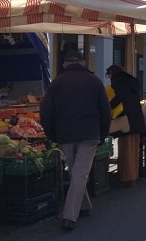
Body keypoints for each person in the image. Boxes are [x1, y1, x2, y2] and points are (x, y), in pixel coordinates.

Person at [40, 49, 110, 231]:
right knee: (79, 173)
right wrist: (103, 133)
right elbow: (105, 112)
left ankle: (81, 207)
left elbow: (46, 111)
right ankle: (70, 216)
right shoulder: (94, 82)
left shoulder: (56, 83)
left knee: (76, 172)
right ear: (83, 63)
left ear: (64, 65)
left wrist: (51, 134)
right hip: (89, 133)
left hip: (65, 134)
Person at [106, 64, 146, 187]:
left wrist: (108, 105)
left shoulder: (118, 81)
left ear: (113, 73)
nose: (109, 77)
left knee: (126, 149)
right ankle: (134, 175)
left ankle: (126, 177)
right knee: (134, 149)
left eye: (109, 75)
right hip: (136, 118)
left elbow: (119, 98)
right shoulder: (131, 82)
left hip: (126, 119)